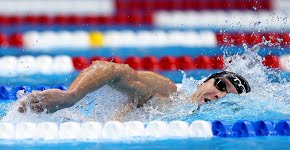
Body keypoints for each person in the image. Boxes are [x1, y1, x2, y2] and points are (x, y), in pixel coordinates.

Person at [18, 61, 251, 114]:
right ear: (205, 81)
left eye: (227, 95)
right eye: (220, 84)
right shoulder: (167, 93)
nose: (218, 94)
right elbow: (115, 71)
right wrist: (71, 96)